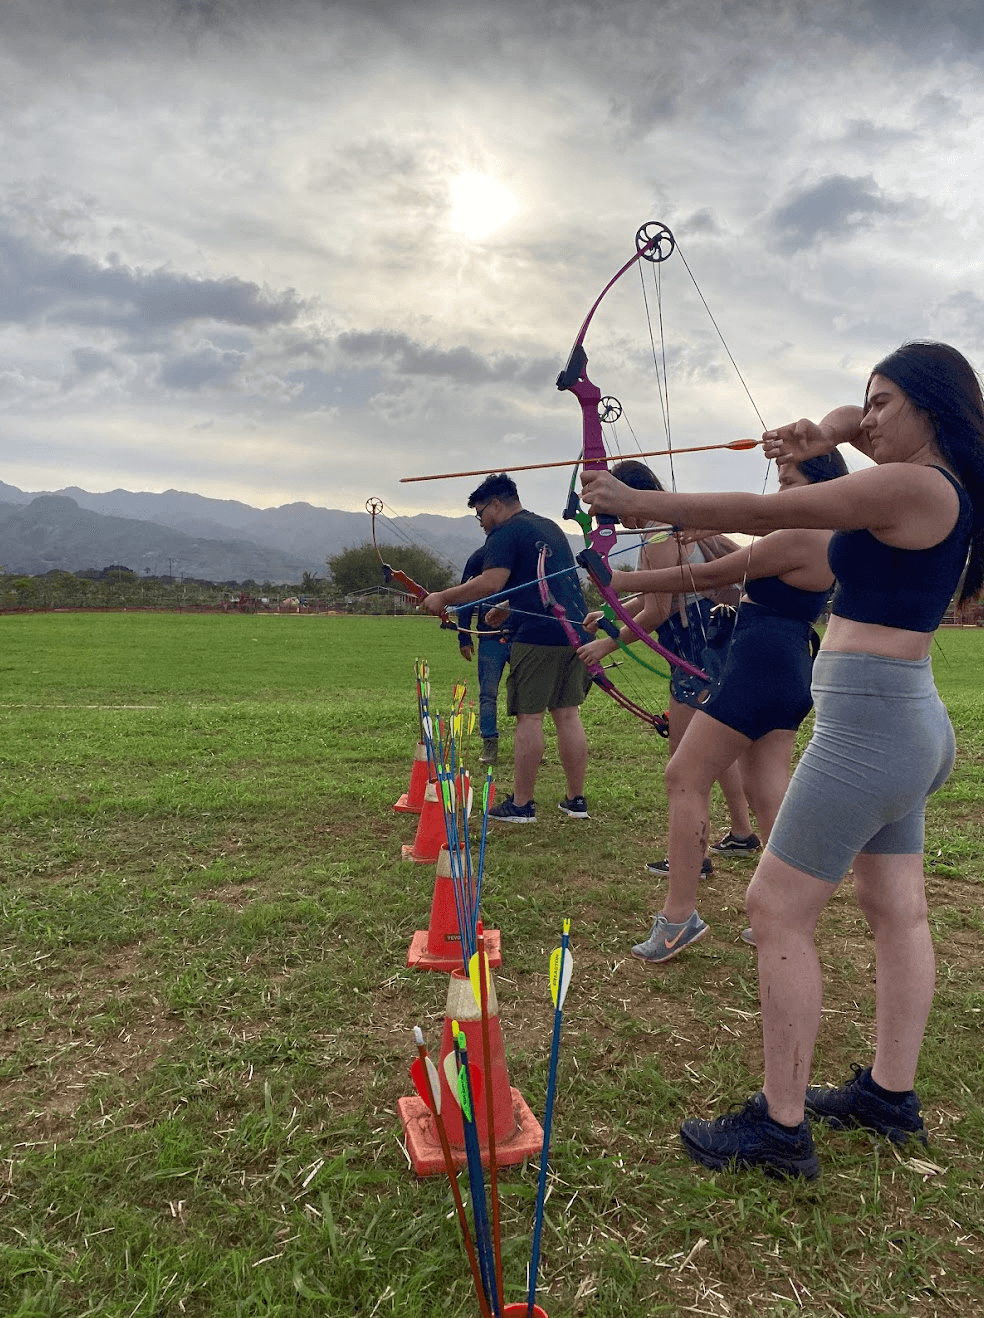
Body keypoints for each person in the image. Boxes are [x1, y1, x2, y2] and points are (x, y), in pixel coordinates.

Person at [581, 340, 984, 1179]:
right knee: (894, 908)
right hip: (902, 720)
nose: (866, 418)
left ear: (930, 409)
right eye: (863, 402)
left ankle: (780, 1125)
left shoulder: (915, 484)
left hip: (873, 726)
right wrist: (824, 425)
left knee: (775, 911)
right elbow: (845, 429)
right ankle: (887, 1093)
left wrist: (638, 501)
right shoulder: (934, 481)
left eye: (884, 403)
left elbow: (768, 517)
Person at [586, 451, 846, 964]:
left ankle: (679, 916)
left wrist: (620, 582)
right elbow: (740, 547)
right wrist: (695, 529)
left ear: (820, 485)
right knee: (767, 784)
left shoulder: (799, 536)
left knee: (684, 775)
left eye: (790, 480)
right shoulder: (824, 538)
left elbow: (706, 577)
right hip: (788, 664)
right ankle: (787, 912)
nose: (780, 490)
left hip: (759, 664)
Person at [577, 460, 760, 878]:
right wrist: (607, 613)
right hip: (709, 648)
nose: (615, 517)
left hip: (694, 652)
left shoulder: (658, 534)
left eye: (612, 503)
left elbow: (658, 611)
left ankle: (692, 858)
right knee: (715, 745)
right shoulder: (663, 529)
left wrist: (607, 643)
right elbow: (656, 595)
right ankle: (742, 831)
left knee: (684, 763)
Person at [420, 473, 593, 822]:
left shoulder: (505, 532)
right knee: (567, 714)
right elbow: (545, 582)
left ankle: (522, 804)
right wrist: (510, 607)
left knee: (530, 716)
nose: (481, 522)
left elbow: (490, 581)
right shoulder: (547, 528)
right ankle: (576, 800)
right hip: (574, 630)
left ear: (497, 505)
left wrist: (443, 599)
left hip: (539, 636)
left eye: (481, 512)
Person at [456, 546, 515, 765]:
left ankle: (529, 744)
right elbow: (465, 596)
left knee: (527, 693)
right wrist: (464, 636)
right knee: (488, 693)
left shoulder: (524, 554)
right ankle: (490, 743)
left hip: (522, 635)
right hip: (490, 637)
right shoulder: (479, 558)